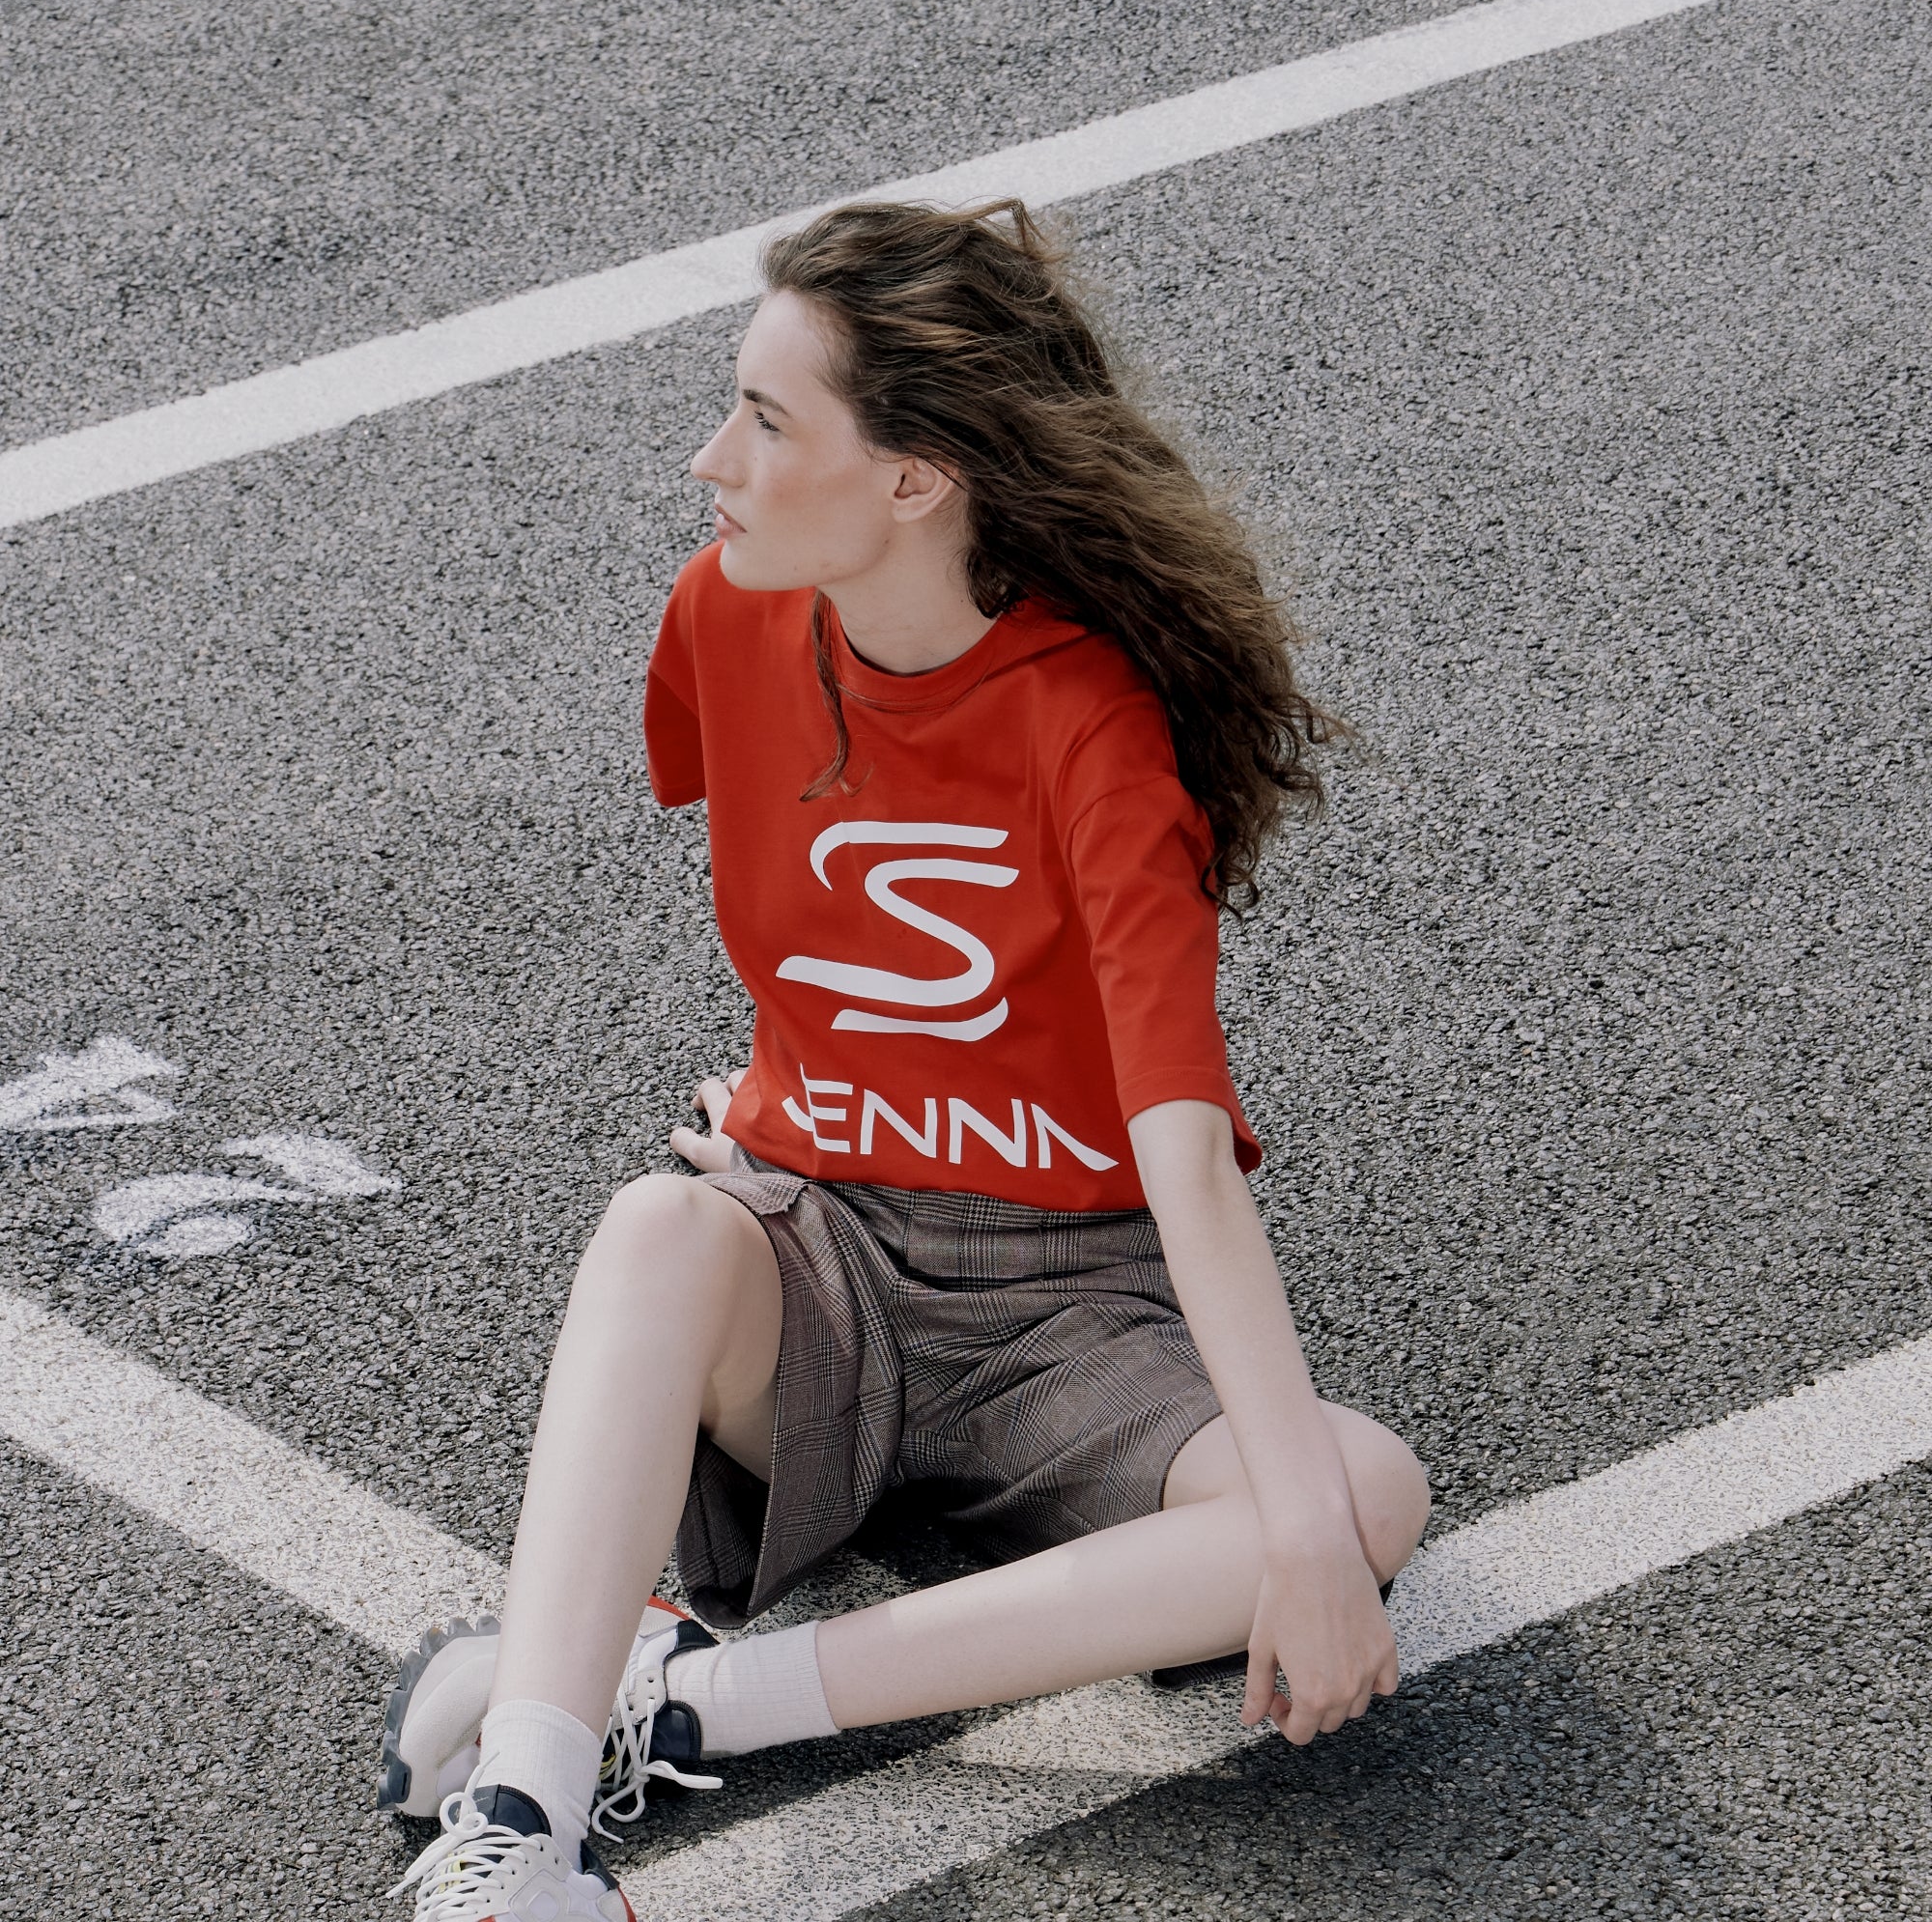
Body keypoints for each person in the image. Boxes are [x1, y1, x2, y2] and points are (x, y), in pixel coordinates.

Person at [386, 198, 1431, 1922]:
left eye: (769, 419)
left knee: (1359, 1488)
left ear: (915, 480)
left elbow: (1183, 1149)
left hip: (1068, 1311)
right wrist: (785, 1105)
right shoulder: (724, 617)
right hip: (834, 1253)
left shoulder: (1092, 724)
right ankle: (522, 1819)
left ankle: (691, 1702)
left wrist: (1313, 1546)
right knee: (659, 1227)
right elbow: (837, 913)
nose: (710, 455)